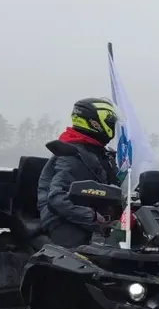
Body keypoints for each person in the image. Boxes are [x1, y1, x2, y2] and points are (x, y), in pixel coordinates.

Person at [37, 98, 119, 247]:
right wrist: (91, 216)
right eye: (110, 121)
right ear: (95, 122)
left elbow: (113, 189)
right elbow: (57, 198)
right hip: (62, 219)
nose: (113, 126)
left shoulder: (103, 154)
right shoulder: (69, 154)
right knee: (84, 256)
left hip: (96, 220)